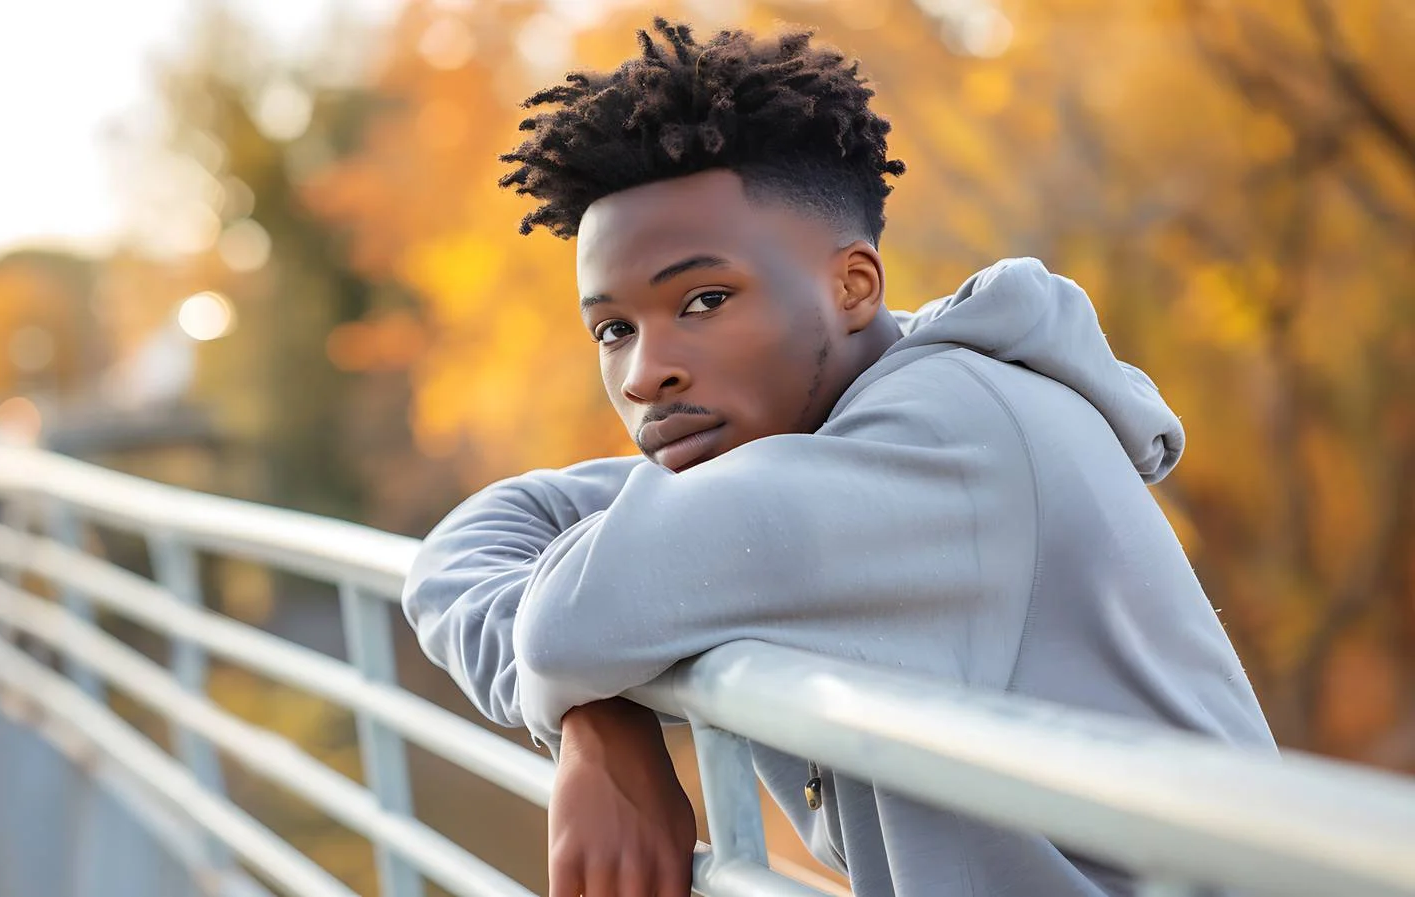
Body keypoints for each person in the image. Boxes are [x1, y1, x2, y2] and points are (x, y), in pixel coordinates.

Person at [401, 17, 1274, 897]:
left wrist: (585, 671)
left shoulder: (946, 436)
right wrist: (596, 716)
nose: (644, 372)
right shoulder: (795, 441)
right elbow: (469, 543)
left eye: (704, 299)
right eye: (613, 329)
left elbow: (563, 625)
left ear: (853, 286)